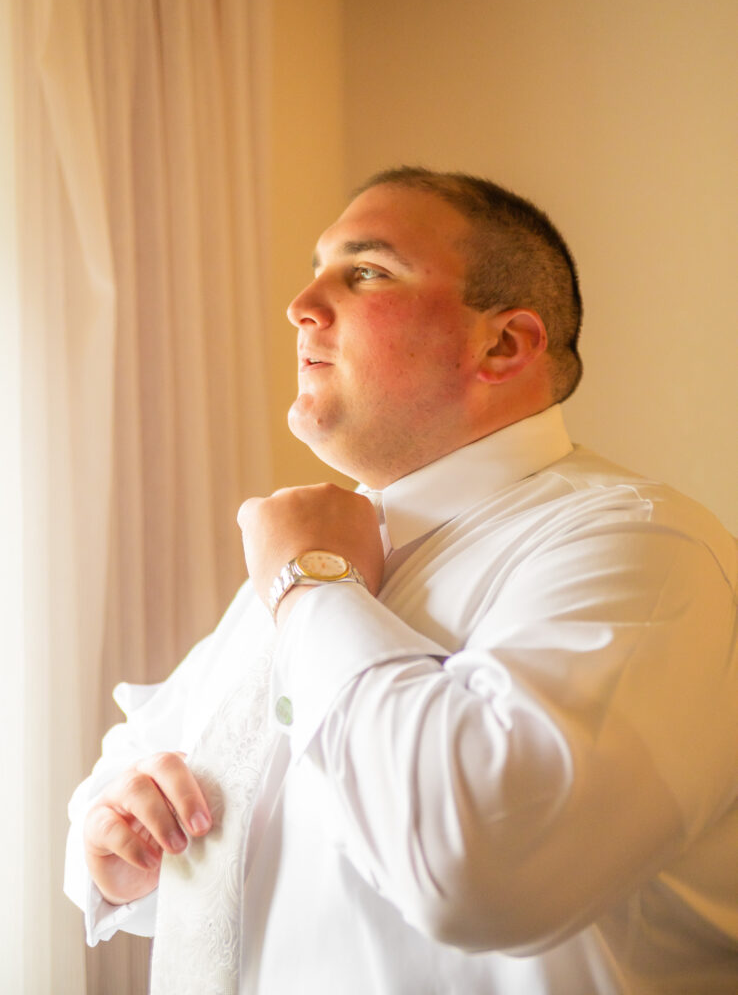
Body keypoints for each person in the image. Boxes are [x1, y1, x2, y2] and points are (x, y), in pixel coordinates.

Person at [65, 167, 738, 993]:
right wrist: (109, 844)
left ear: (504, 345)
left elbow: (481, 866)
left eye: (367, 271)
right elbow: (147, 756)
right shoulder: (314, 561)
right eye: (317, 266)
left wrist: (313, 585)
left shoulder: (643, 552)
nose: (301, 303)